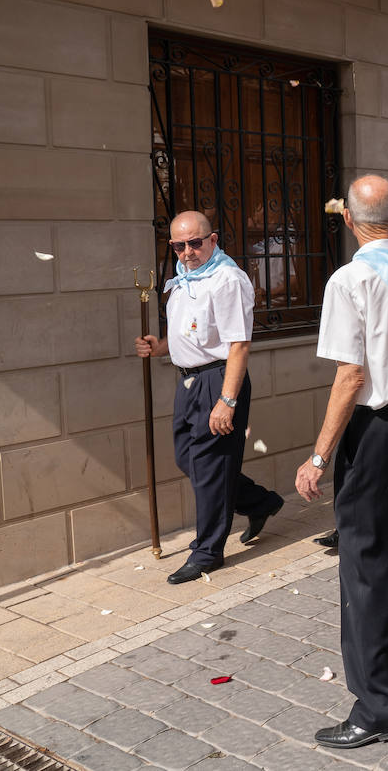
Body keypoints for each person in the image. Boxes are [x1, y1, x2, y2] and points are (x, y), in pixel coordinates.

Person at [293, 176, 388, 749]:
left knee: (366, 565)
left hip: (378, 428)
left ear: (350, 221)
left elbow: (351, 374)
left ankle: (379, 707)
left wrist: (318, 455)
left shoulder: (352, 278)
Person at [135, 211, 282, 585]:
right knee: (193, 461)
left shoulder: (226, 279)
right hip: (187, 381)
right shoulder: (183, 280)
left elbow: (238, 345)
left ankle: (207, 551)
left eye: (195, 243)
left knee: (211, 466)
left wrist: (227, 400)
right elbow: (189, 335)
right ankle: (259, 503)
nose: (187, 251)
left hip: (217, 379)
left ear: (213, 240)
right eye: (179, 245)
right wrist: (160, 346)